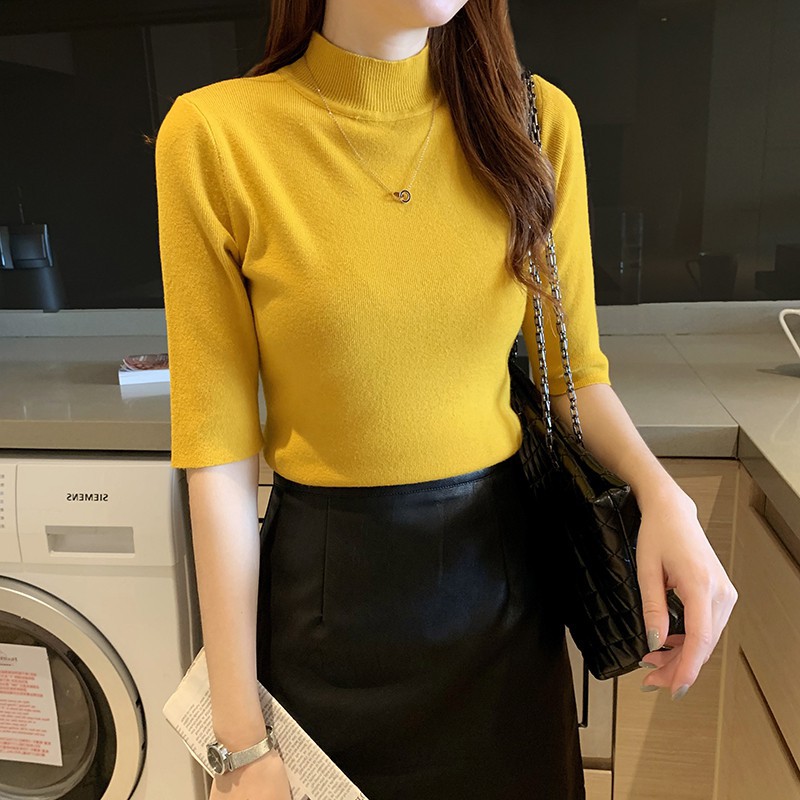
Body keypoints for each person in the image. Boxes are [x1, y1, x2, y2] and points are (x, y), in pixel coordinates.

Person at [153, 1, 738, 798]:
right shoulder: (215, 135)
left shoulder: (534, 122)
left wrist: (663, 493)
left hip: (503, 614)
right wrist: (241, 746)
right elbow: (219, 458)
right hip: (326, 618)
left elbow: (572, 377)